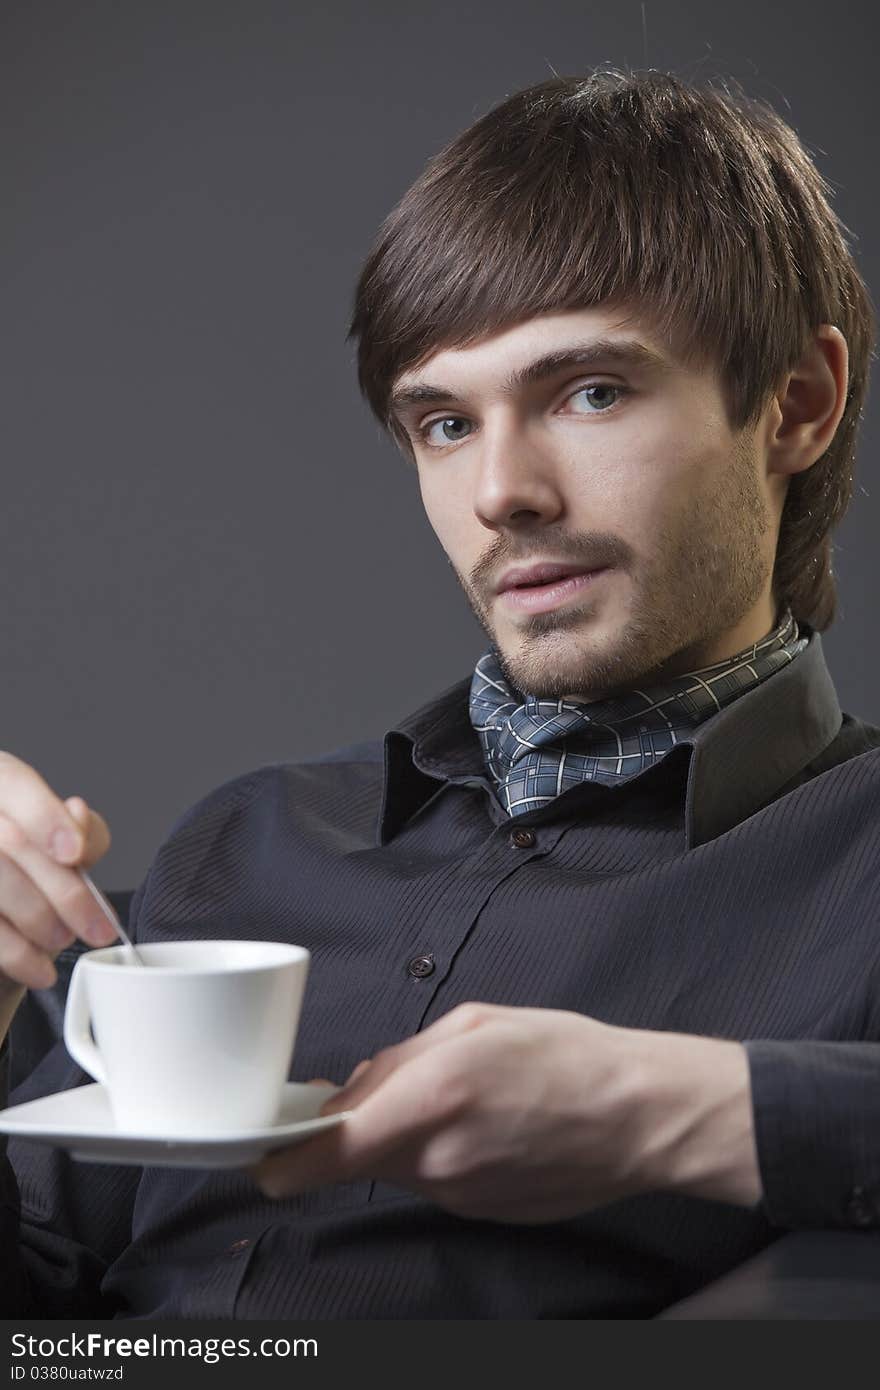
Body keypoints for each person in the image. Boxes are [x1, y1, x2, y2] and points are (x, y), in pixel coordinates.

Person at [1, 65, 879, 1320]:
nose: (500, 494)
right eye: (444, 424)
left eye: (589, 391)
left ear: (795, 405)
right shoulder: (237, 843)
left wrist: (681, 1110)